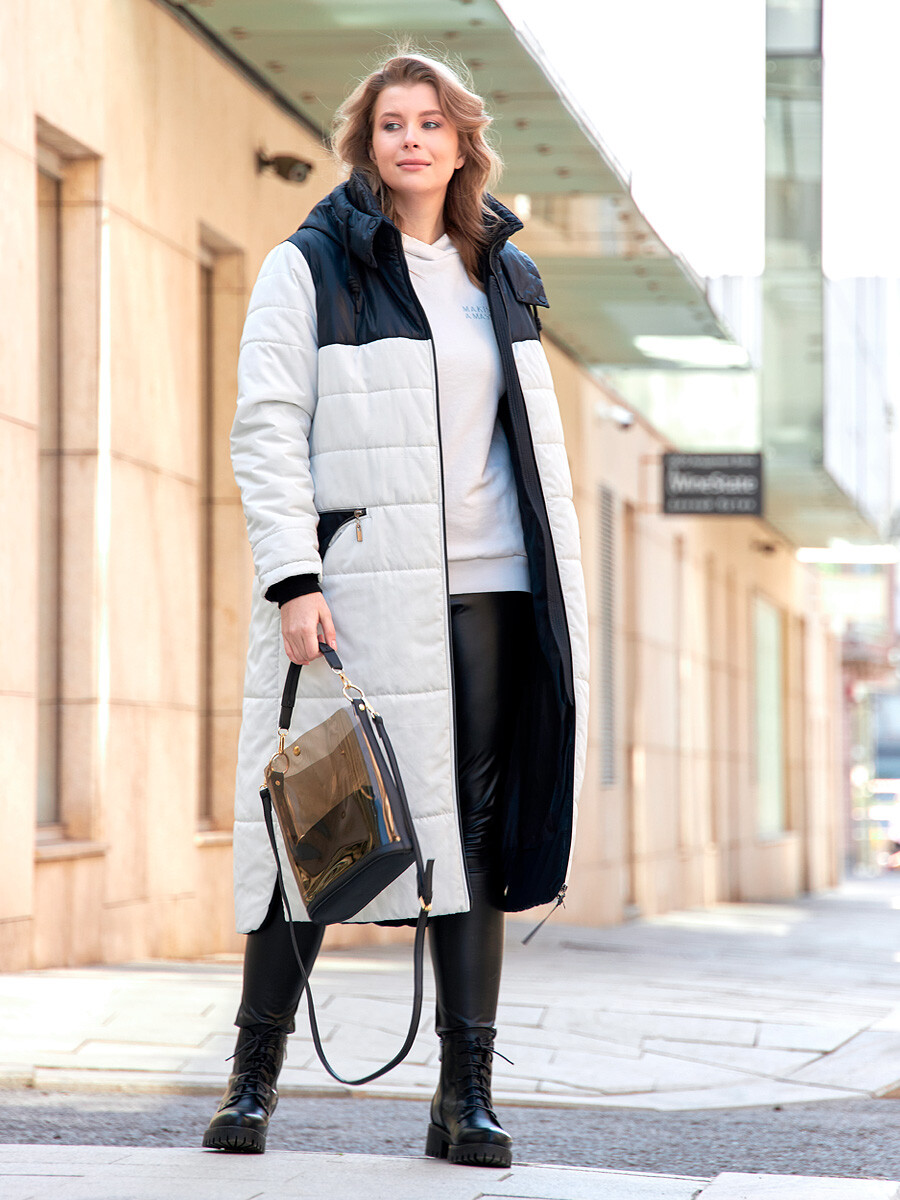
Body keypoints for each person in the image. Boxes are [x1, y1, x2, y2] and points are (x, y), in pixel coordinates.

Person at [202, 51, 590, 1167]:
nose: (411, 140)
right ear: (365, 143)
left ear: (463, 143)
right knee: (326, 821)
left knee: (474, 836)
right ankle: (252, 1082)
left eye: (431, 122)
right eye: (390, 124)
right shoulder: (311, 264)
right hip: (362, 586)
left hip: (496, 586)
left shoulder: (501, 272)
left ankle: (465, 1095)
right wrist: (294, 577)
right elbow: (266, 427)